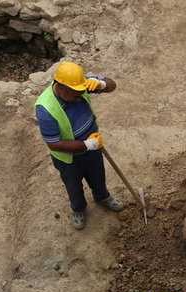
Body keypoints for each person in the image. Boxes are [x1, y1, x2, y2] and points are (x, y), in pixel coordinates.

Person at [35, 61, 123, 230]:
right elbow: (54, 144)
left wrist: (102, 84)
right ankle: (78, 209)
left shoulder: (79, 84)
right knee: (73, 186)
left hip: (93, 147)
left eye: (80, 92)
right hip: (69, 160)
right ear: (60, 87)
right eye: (75, 94)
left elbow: (113, 86)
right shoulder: (45, 109)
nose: (79, 95)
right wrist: (87, 145)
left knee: (98, 176)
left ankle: (102, 197)